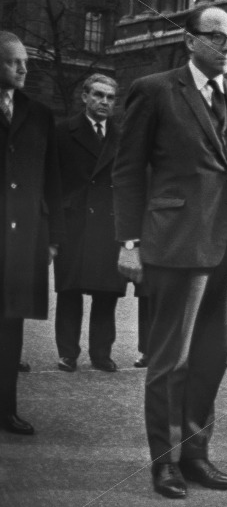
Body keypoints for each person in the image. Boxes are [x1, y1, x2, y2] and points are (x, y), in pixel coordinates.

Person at [113, 6, 227, 499]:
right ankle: (165, 462)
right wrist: (129, 241)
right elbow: (128, 170)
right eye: (219, 37)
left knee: (213, 357)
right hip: (176, 242)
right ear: (191, 41)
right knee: (170, 359)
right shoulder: (155, 90)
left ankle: (196, 454)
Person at [0, 31, 64, 435]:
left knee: (11, 326)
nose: (24, 68)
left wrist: (53, 237)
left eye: (24, 61)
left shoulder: (39, 114)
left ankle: (6, 409)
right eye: (13, 61)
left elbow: (52, 179)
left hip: (23, 238)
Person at [53, 74, 125, 374]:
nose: (104, 102)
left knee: (106, 293)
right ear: (84, 96)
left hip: (110, 224)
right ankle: (68, 353)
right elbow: (53, 182)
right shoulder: (61, 131)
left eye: (109, 97)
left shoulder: (123, 136)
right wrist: (54, 230)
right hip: (75, 222)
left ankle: (101, 353)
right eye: (97, 95)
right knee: (69, 291)